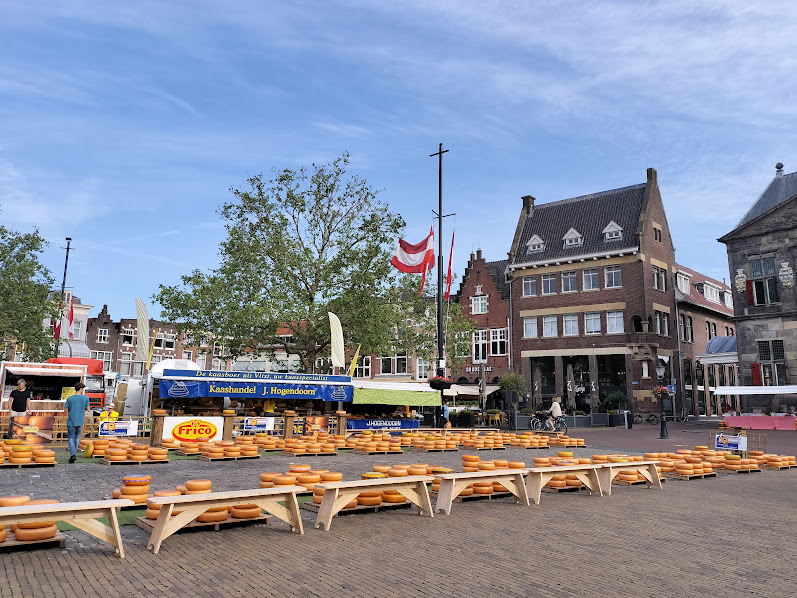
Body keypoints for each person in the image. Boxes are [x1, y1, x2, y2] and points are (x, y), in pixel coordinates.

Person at [65, 382, 91, 463]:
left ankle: (72, 454)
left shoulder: (70, 398)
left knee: (71, 437)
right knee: (77, 437)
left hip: (71, 421)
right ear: (81, 389)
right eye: (83, 389)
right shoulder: (85, 398)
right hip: (80, 420)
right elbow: (88, 410)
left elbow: (65, 410)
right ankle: (74, 453)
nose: (83, 390)